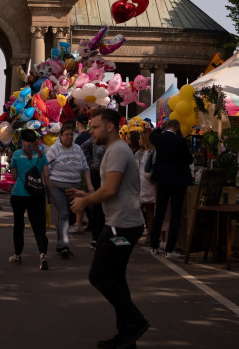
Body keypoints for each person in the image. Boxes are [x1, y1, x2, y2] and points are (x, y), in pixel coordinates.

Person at [70, 109, 149, 349]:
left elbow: (111, 190)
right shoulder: (115, 151)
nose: (90, 132)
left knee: (99, 275)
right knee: (115, 276)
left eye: (94, 127)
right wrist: (88, 194)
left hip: (121, 228)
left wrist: (85, 201)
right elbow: (111, 190)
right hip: (123, 224)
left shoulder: (117, 152)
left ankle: (135, 322)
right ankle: (125, 335)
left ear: (110, 127)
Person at [148, 117, 194, 258]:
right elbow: (189, 159)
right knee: (175, 214)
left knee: (159, 213)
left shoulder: (158, 139)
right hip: (178, 182)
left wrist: (159, 128)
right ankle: (170, 249)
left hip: (162, 180)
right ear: (178, 128)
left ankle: (154, 246)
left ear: (167, 126)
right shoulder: (181, 141)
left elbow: (152, 135)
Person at [46, 123, 93, 259]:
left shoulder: (77, 149)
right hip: (57, 186)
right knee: (64, 213)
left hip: (74, 187)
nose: (69, 137)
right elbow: (46, 167)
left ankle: (60, 244)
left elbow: (85, 167)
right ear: (60, 135)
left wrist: (89, 185)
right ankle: (65, 245)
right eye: (66, 134)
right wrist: (48, 186)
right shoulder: (55, 149)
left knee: (66, 216)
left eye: (72, 134)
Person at [8, 128, 51, 270]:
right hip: (36, 194)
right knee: (38, 226)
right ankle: (43, 254)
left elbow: (14, 177)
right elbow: (46, 176)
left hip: (19, 194)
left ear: (22, 140)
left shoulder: (16, 154)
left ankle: (17, 254)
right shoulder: (41, 155)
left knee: (18, 225)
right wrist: (50, 193)